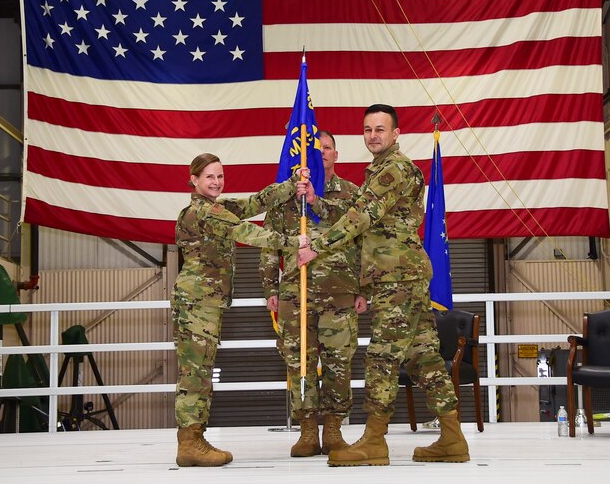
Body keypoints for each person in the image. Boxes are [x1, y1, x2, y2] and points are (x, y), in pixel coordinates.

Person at [297, 104, 470, 466]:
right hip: (400, 275)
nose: (373, 135)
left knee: (381, 356)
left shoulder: (393, 168)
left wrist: (317, 246)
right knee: (423, 356)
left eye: (380, 129)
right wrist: (317, 203)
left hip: (398, 277)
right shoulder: (379, 170)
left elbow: (361, 217)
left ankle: (375, 439)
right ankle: (453, 437)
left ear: (395, 134)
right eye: (368, 129)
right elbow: (360, 213)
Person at [172, 153, 310, 467]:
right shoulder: (202, 212)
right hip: (198, 301)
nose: (216, 182)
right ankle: (190, 443)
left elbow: (253, 204)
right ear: (193, 180)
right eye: (209, 177)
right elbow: (247, 232)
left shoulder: (217, 208)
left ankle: (194, 437)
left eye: (220, 176)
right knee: (195, 372)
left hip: (205, 301)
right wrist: (294, 241)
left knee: (201, 369)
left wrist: (291, 185)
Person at [260, 130, 366, 457]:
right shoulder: (285, 196)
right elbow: (269, 243)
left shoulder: (350, 194)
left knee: (338, 362)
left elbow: (365, 242)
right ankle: (307, 430)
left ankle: (333, 428)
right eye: (315, 150)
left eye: (327, 149)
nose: (321, 154)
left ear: (336, 154)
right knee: (300, 362)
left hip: (340, 294)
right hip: (295, 292)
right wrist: (269, 286)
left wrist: (365, 288)